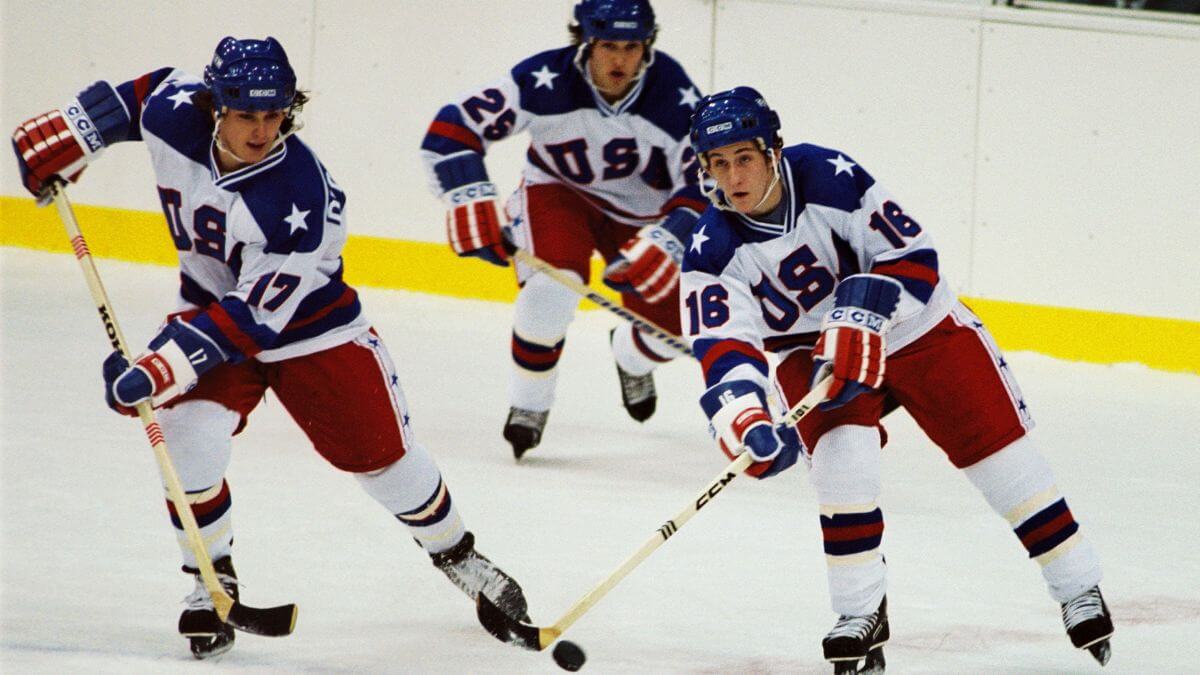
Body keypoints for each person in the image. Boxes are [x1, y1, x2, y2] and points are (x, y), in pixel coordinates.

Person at [11, 36, 529, 659]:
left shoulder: (299, 196)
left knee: (385, 463)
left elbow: (250, 320)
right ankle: (210, 579)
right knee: (187, 443)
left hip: (312, 331)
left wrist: (160, 367)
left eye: (274, 114)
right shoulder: (176, 110)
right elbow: (140, 95)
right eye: (246, 114)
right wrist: (75, 132)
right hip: (209, 306)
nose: (261, 130)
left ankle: (459, 556)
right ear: (213, 106)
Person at [682, 87, 1114, 672]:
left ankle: (1076, 584)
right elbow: (721, 345)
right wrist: (745, 418)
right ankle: (860, 610)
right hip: (813, 356)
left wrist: (859, 315)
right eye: (719, 163)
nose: (733, 177)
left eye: (744, 158)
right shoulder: (711, 249)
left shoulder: (828, 177)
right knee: (842, 464)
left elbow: (912, 254)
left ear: (773, 150)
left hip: (915, 326)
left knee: (999, 456)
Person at [420, 0, 707, 459]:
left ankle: (628, 355)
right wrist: (467, 194)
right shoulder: (542, 81)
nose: (619, 60)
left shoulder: (675, 97)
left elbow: (707, 181)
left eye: (632, 47)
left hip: (644, 217)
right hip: (559, 193)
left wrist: (671, 235)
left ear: (647, 46)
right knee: (552, 291)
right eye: (608, 45)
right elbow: (454, 127)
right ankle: (528, 405)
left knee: (672, 334)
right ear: (585, 41)